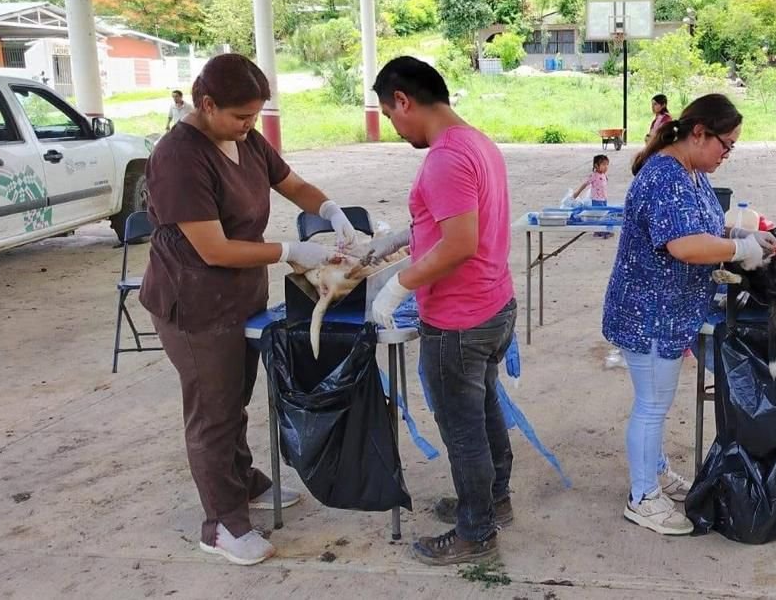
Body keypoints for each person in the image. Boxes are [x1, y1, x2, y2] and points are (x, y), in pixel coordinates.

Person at [140, 54, 359, 567]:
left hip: (240, 294)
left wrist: (329, 210)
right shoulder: (179, 156)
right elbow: (212, 248)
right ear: (207, 104)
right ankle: (222, 523)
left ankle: (243, 480)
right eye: (241, 116)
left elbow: (292, 183)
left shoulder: (244, 139)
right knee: (212, 410)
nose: (249, 126)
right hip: (192, 301)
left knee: (235, 394)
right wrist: (289, 251)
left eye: (255, 117)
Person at [602, 94, 776, 536]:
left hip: (667, 310)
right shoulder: (665, 176)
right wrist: (740, 250)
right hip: (649, 312)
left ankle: (655, 472)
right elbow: (683, 244)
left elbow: (704, 226)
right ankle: (642, 497)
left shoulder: (691, 171)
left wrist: (738, 232)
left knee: (656, 403)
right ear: (699, 132)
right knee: (652, 405)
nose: (727, 153)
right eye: (726, 144)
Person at [366, 56, 516, 566]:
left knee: (462, 427)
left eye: (390, 114)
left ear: (404, 101)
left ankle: (476, 532)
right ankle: (494, 498)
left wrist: (396, 289)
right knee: (484, 406)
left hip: (460, 317)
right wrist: (399, 238)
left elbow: (459, 244)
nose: (393, 125)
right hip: (494, 304)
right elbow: (452, 222)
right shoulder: (476, 142)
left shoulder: (445, 158)